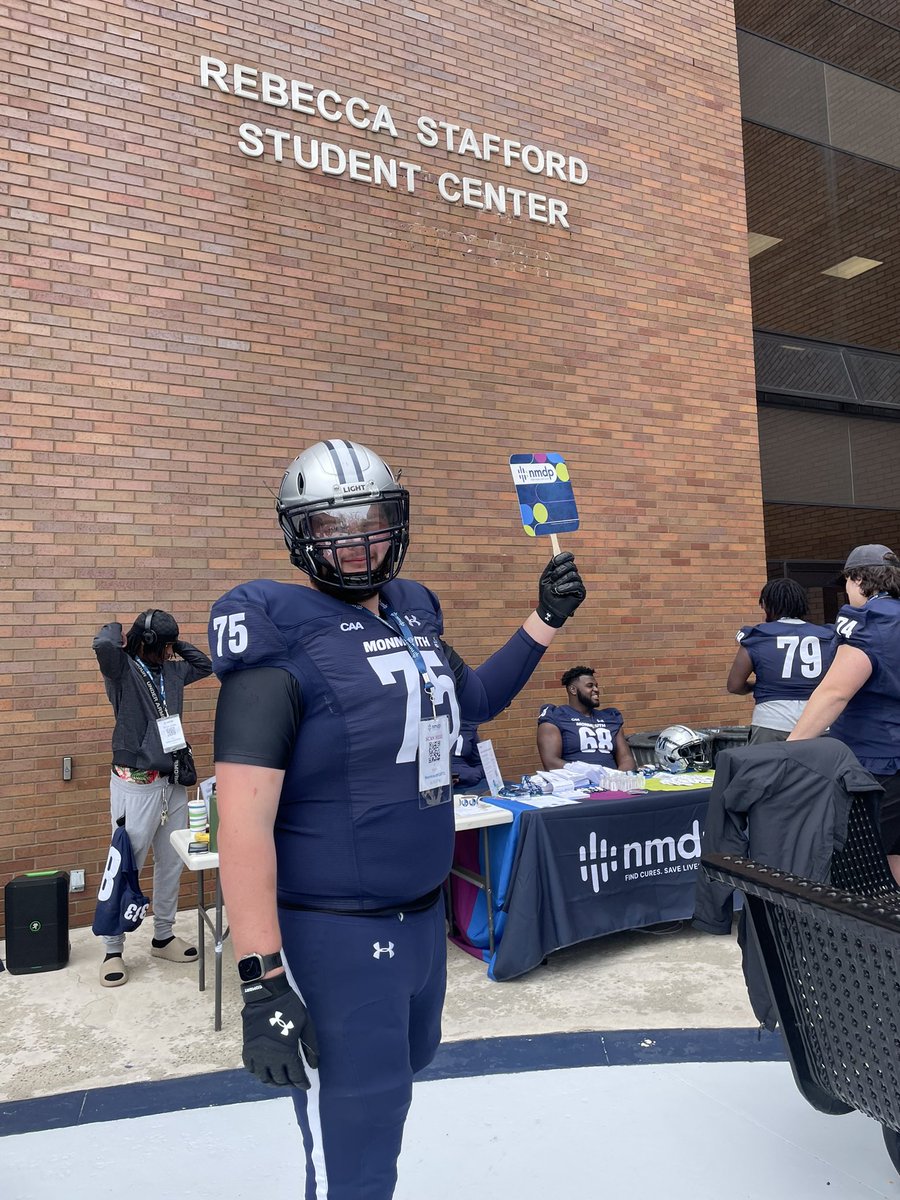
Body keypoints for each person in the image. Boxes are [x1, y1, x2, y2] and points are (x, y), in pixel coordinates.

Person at [209, 438, 586, 1200]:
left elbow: (472, 703)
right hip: (337, 928)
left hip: (420, 920)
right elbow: (241, 826)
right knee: (363, 1122)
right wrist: (260, 979)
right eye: (333, 526)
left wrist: (544, 620)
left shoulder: (412, 615)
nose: (357, 543)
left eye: (372, 520)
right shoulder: (278, 632)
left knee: (403, 1079)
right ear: (299, 535)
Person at [92, 609, 212, 986]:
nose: (168, 655)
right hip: (135, 783)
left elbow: (204, 665)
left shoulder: (174, 672)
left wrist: (174, 643)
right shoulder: (122, 670)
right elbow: (103, 641)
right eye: (162, 647)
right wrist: (127, 636)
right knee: (126, 862)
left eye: (169, 648)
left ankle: (163, 935)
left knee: (172, 861)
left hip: (173, 781)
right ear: (144, 643)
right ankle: (113, 949)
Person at [788, 544, 900, 883]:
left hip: (875, 762)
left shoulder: (869, 620)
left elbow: (835, 692)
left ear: (857, 579)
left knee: (860, 864)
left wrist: (789, 751)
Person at [726, 578, 836, 743]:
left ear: (765, 604)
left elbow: (734, 685)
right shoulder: (828, 636)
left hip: (771, 721)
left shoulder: (757, 636)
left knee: (767, 768)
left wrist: (756, 686)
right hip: (818, 720)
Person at [536, 665, 636, 771]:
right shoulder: (556, 716)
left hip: (612, 783)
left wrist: (617, 779)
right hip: (576, 783)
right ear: (573, 690)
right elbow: (551, 762)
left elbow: (626, 758)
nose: (596, 690)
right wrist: (591, 775)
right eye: (590, 686)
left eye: (596, 686)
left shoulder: (610, 717)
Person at [451, 718, 487, 790]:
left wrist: (474, 774)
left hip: (465, 781)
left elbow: (479, 763)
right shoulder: (428, 728)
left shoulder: (468, 728)